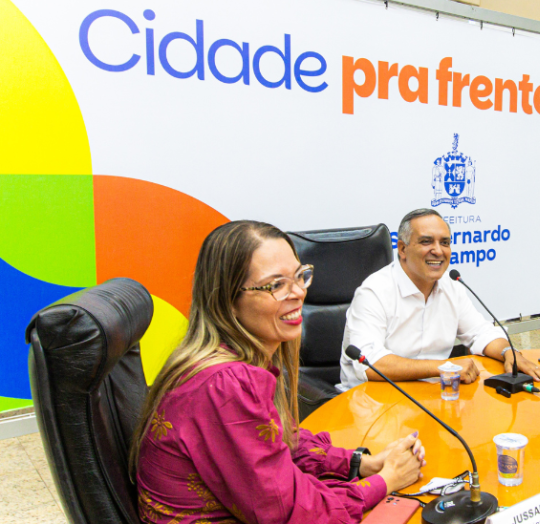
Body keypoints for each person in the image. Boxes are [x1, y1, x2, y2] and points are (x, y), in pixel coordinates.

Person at [130, 221, 425, 524]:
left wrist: (362, 463)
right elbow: (290, 513)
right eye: (276, 285)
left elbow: (282, 443)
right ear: (229, 300)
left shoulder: (233, 362)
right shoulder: (225, 384)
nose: (298, 292)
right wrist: (386, 481)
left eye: (299, 276)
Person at [339, 208, 540, 390]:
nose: (438, 251)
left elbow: (480, 333)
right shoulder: (374, 292)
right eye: (426, 242)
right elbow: (369, 364)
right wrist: (442, 368)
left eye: (445, 243)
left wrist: (508, 353)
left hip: (431, 395)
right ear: (403, 249)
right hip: (372, 400)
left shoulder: (451, 286)